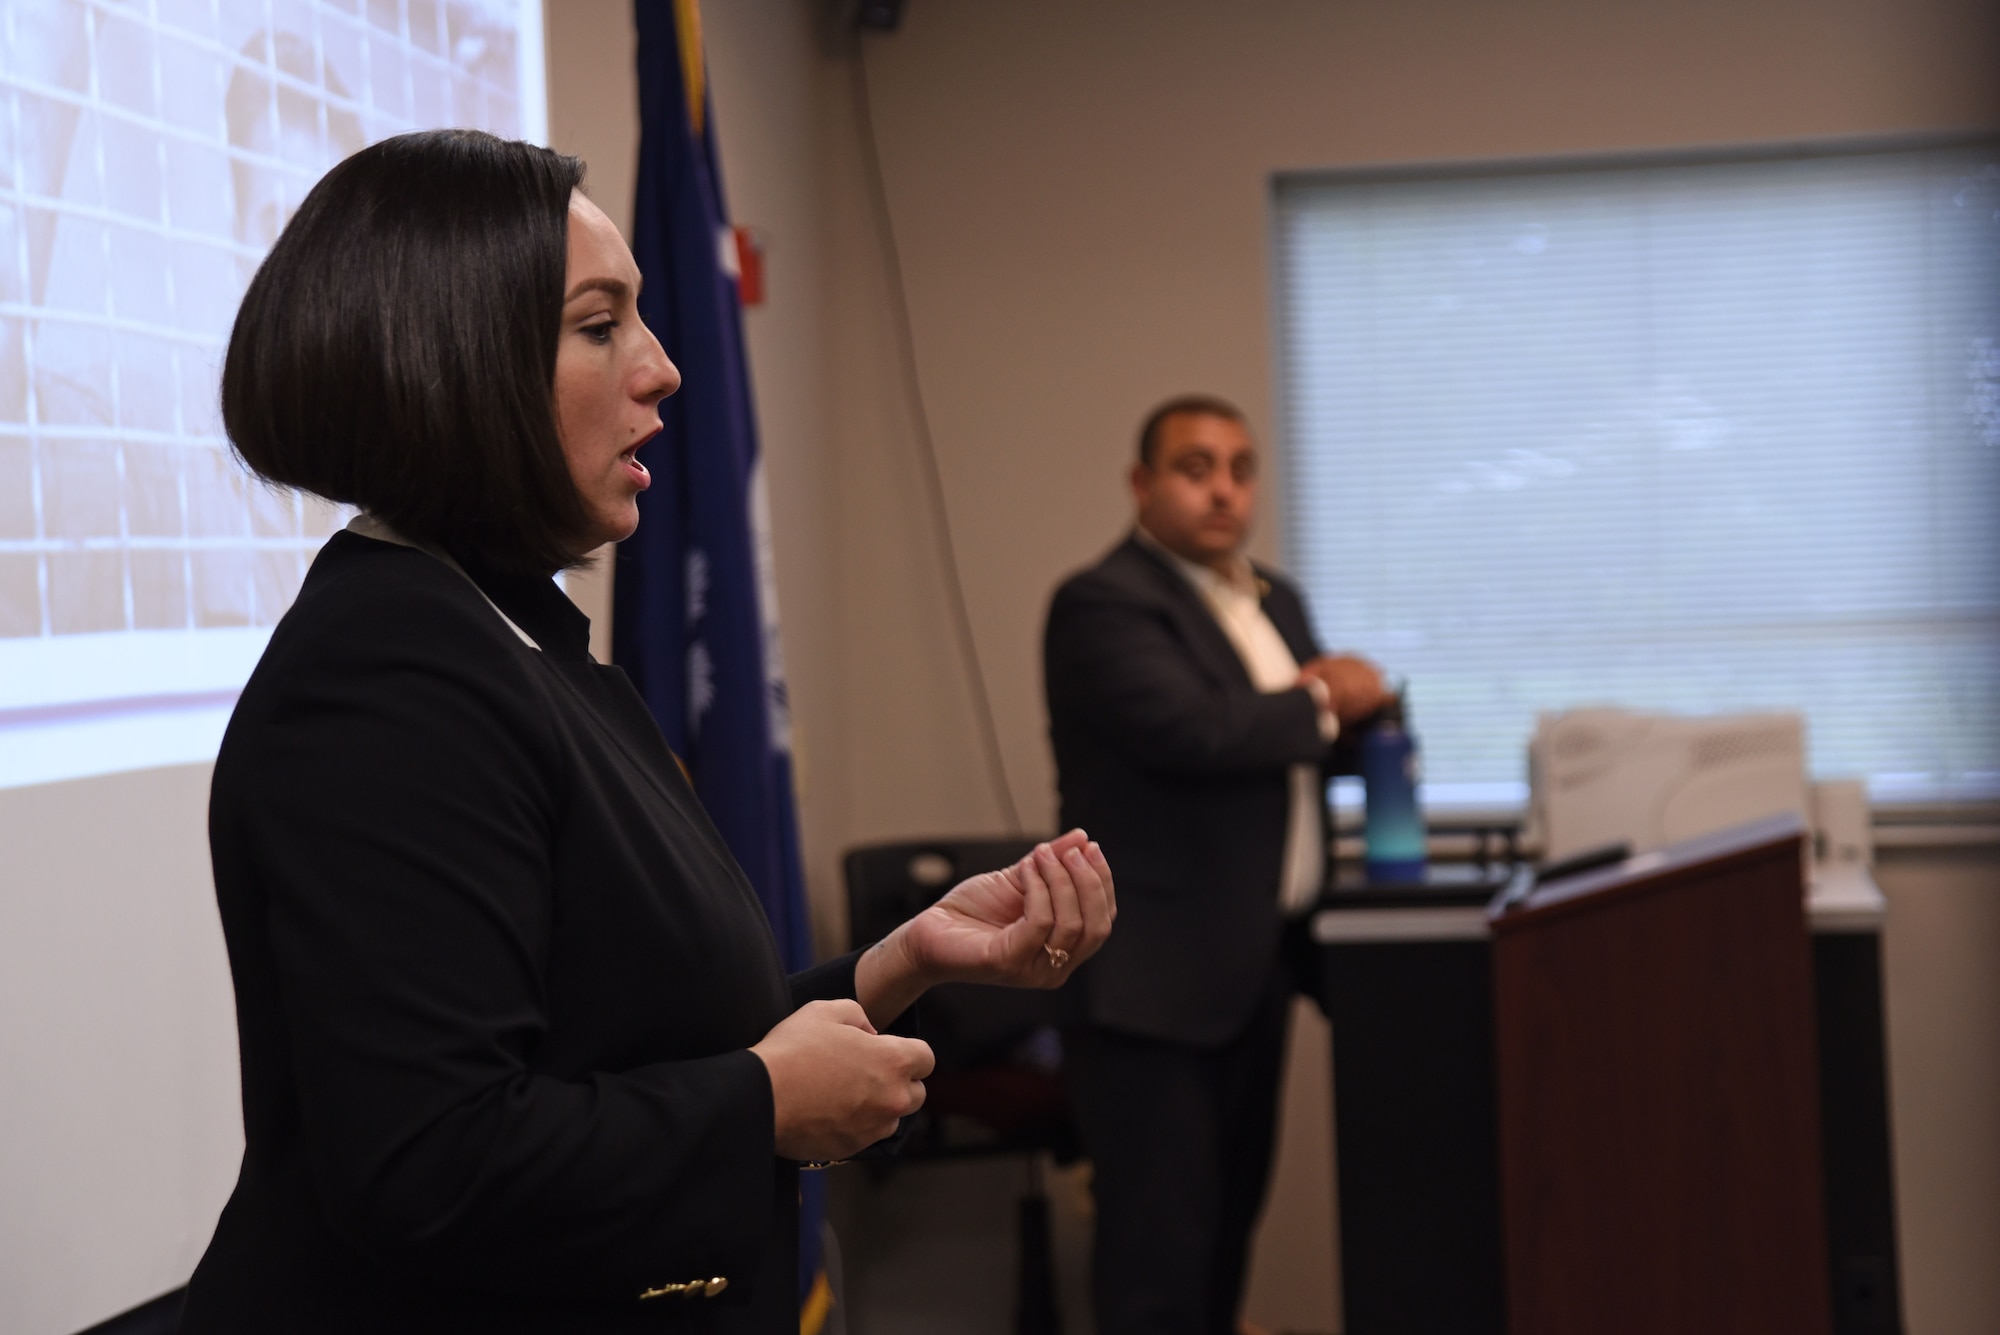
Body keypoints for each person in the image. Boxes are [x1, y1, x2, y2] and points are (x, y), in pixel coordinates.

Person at [179, 129, 1116, 1335]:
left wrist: (903, 965)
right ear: (453, 360)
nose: (665, 369)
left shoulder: (517, 640)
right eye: (599, 324)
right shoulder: (385, 680)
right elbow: (431, 1162)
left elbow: (622, 1034)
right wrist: (761, 1108)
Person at [1042, 396, 1385, 1335]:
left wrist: (1372, 711)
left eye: (1240, 467)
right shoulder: (1103, 601)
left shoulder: (1275, 599)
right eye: (1196, 467)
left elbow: (1317, 744)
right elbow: (1193, 730)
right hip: (1152, 988)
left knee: (1227, 1237)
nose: (1224, 488)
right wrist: (1328, 697)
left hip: (1256, 966)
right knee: (1159, 1265)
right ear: (1142, 485)